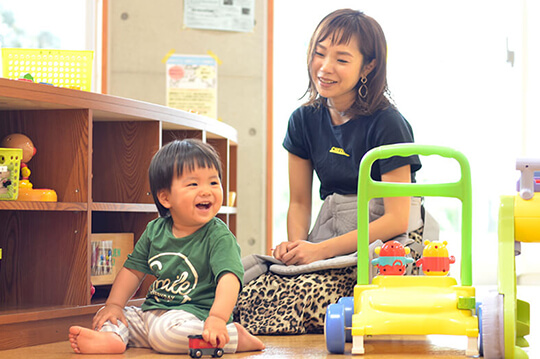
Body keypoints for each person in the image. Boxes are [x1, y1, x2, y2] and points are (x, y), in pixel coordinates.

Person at [234, 8, 424, 335]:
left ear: (369, 66)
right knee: (244, 292)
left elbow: (397, 219)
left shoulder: (389, 123)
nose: (325, 67)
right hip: (332, 233)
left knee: (305, 300)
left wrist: (318, 252)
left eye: (341, 59)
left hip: (389, 243)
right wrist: (297, 251)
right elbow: (299, 203)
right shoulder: (303, 120)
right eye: (319, 54)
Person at [69, 139, 265, 354]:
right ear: (165, 197)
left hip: (195, 316)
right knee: (119, 318)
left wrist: (217, 318)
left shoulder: (218, 235)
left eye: (213, 182)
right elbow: (132, 271)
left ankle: (233, 336)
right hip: (154, 311)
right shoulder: (155, 230)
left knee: (165, 336)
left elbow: (230, 280)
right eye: (193, 184)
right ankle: (112, 339)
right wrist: (113, 305)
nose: (207, 191)